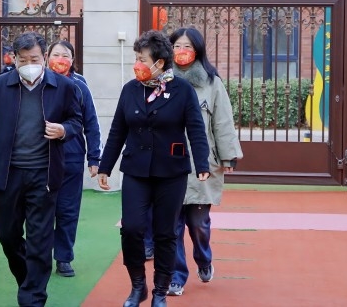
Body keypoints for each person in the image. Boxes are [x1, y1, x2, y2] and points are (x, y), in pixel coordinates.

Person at [98, 30, 210, 307]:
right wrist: (105, 166)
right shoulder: (130, 90)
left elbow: (196, 129)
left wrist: (202, 163)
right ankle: (138, 286)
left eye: (142, 59)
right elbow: (117, 131)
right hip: (136, 170)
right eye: (136, 58)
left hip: (171, 172)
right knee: (132, 228)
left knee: (165, 232)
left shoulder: (182, 90)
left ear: (159, 63)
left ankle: (160, 292)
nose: (137, 64)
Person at [0, 31, 82, 307]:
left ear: (44, 57)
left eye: (34, 59)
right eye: (23, 60)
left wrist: (64, 130)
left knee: (40, 239)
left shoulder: (64, 87)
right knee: (6, 234)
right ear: (14, 59)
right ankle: (28, 280)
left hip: (44, 173)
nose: (29, 64)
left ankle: (32, 298)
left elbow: (76, 121)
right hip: (8, 174)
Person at [166, 27, 244, 296]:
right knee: (171, 227)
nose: (181, 51)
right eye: (176, 46)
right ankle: (176, 276)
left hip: (201, 165)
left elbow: (222, 121)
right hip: (168, 165)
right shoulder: (161, 81)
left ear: (197, 50)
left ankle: (204, 258)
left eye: (187, 46)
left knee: (199, 224)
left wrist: (228, 155)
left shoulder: (212, 84)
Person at [46, 40, 101, 278]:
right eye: (56, 54)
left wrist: (94, 157)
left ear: (73, 60)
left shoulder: (79, 86)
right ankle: (40, 257)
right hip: (41, 158)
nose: (60, 59)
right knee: (42, 210)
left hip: (72, 157)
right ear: (47, 57)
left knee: (67, 210)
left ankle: (64, 258)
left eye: (65, 55)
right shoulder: (37, 83)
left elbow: (91, 123)